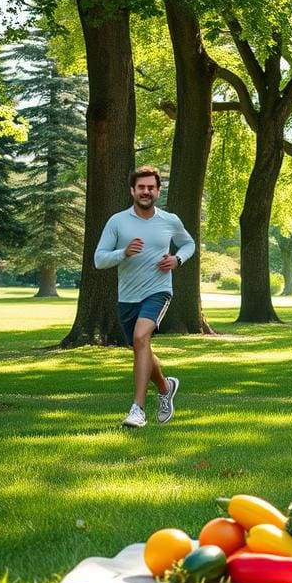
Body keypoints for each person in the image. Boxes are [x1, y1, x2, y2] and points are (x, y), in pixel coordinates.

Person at [95, 165, 195, 427]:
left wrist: (177, 259)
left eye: (151, 187)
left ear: (158, 191)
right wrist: (123, 253)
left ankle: (137, 409)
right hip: (127, 296)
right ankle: (165, 387)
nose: (146, 192)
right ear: (132, 190)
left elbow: (189, 243)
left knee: (141, 338)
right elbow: (98, 259)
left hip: (158, 290)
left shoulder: (169, 220)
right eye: (141, 187)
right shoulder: (117, 221)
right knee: (140, 347)